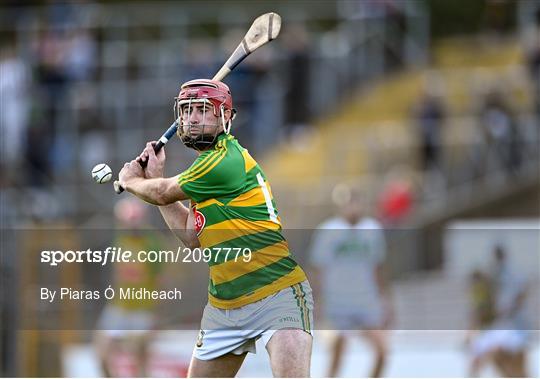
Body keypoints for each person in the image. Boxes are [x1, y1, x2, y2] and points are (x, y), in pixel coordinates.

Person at [117, 79, 313, 377]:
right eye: (186, 110)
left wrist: (132, 181)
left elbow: (161, 192)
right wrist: (155, 177)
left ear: (225, 118)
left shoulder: (224, 160)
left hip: (276, 293)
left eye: (202, 110)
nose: (192, 118)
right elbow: (189, 234)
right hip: (225, 305)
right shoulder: (205, 170)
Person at [309, 184, 392, 377]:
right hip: (337, 301)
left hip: (366, 300)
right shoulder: (328, 230)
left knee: (382, 351)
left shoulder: (372, 229)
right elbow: (318, 268)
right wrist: (316, 301)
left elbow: (378, 267)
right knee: (338, 352)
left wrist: (386, 300)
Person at [94, 198, 163, 377]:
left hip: (142, 310)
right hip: (120, 307)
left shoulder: (152, 243)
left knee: (138, 356)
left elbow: (159, 280)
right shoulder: (120, 240)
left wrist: (154, 316)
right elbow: (117, 276)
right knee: (102, 352)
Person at [467, 245, 530, 377]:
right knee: (483, 356)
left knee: (513, 366)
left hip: (511, 328)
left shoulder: (510, 275)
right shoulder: (493, 276)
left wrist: (509, 309)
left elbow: (522, 293)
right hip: (499, 329)